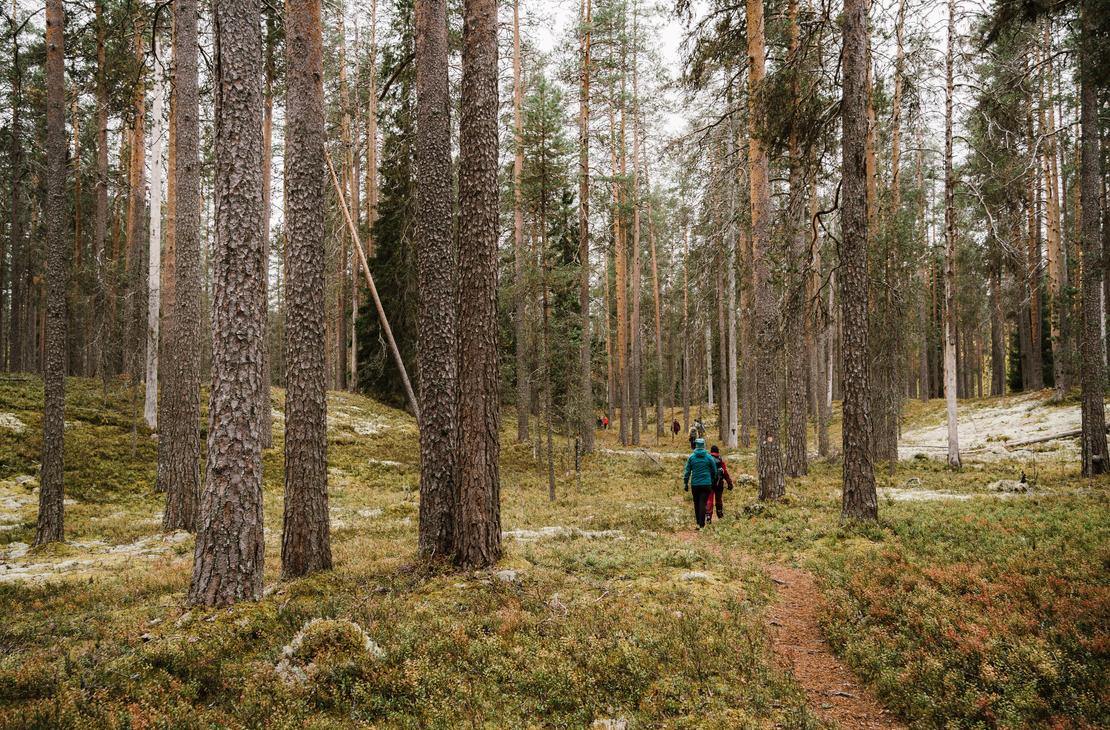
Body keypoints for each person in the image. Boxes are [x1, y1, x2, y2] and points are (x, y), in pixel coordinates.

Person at [683, 437, 718, 528]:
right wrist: (713, 478)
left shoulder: (691, 457)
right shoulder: (709, 457)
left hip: (695, 484)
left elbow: (687, 472)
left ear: (696, 446)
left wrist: (685, 483)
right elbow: (714, 470)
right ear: (704, 446)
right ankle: (701, 524)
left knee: (696, 503)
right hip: (706, 484)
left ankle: (698, 523)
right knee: (703, 502)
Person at [704, 445, 734, 524]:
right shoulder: (720, 460)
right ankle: (720, 514)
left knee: (709, 499)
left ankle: (708, 516)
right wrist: (729, 483)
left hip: (709, 483)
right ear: (718, 452)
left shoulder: (708, 459)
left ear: (711, 451)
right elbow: (725, 472)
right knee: (718, 499)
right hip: (719, 483)